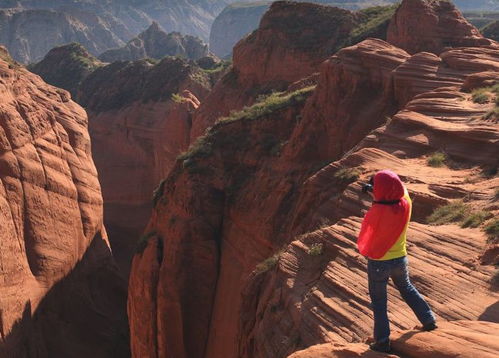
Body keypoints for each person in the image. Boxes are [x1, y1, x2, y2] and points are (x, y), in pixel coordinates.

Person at [357, 170, 437, 353]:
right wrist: (376, 188)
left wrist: (371, 191)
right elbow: (396, 189)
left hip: (379, 262)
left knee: (379, 302)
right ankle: (428, 320)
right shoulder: (405, 202)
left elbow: (367, 239)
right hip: (400, 258)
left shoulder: (376, 213)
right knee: (407, 288)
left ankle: (383, 341)